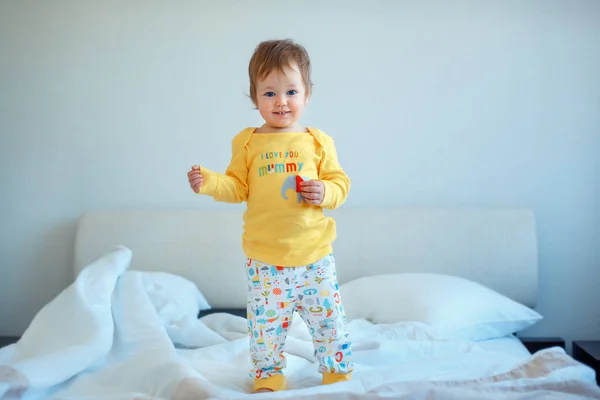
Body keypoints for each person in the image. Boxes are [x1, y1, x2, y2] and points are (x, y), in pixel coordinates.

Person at [187, 39, 353, 393]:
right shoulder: (247, 142)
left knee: (329, 321)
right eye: (269, 93)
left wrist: (326, 191)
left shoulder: (317, 141)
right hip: (266, 260)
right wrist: (210, 183)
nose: (281, 102)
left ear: (307, 94)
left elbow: (340, 184)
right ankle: (270, 376)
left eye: (291, 91)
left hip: (315, 257)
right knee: (266, 327)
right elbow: (237, 187)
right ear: (254, 97)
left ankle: (336, 372)